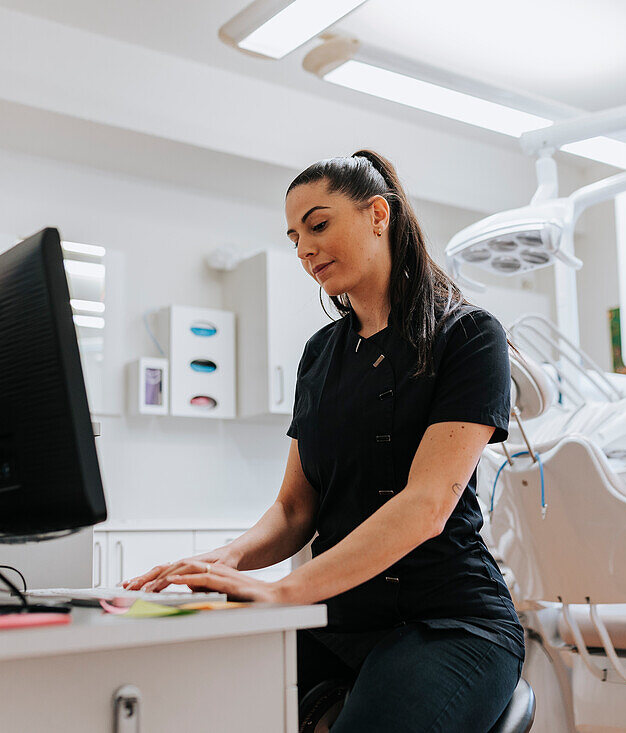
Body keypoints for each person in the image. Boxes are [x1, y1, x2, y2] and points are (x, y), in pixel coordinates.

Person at [124, 150, 524, 731]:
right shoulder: (320, 354)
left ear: (378, 215)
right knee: (198, 696)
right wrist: (221, 561)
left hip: (449, 621)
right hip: (334, 618)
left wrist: (286, 592)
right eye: (293, 237)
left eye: (318, 224)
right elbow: (294, 508)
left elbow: (427, 505)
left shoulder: (467, 335)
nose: (304, 249)